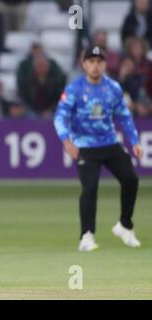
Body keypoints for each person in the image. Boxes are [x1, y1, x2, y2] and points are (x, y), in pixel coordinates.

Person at [54, 46, 144, 252]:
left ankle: (125, 225)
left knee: (131, 179)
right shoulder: (74, 89)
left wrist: (135, 141)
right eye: (91, 61)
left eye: (99, 62)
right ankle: (86, 236)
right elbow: (60, 116)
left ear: (104, 64)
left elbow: (124, 115)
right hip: (85, 146)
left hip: (110, 143)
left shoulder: (113, 88)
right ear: (84, 64)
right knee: (90, 188)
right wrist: (67, 141)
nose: (95, 66)